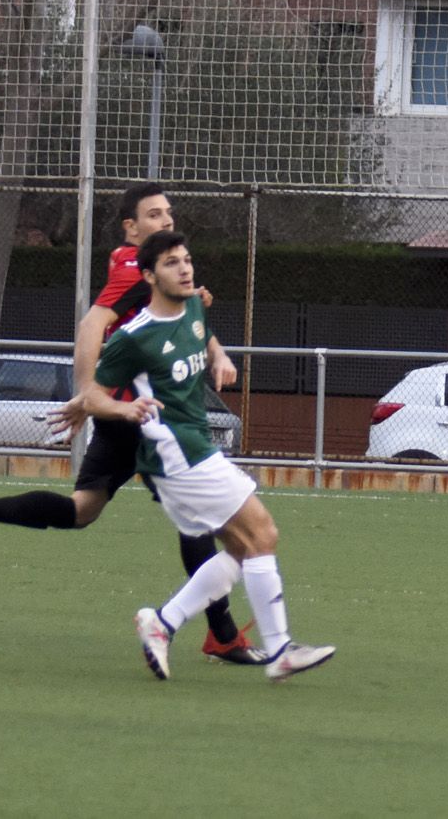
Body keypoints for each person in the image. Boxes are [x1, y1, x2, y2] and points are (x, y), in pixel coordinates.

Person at [0, 182, 264, 665]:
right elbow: (91, 324)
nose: (166, 221)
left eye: (169, 213)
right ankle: (220, 635)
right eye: (155, 215)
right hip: (143, 416)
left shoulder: (157, 267)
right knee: (203, 525)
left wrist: (217, 351)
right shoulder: (132, 266)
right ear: (131, 227)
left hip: (128, 413)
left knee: (82, 509)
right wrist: (87, 393)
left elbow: (187, 321)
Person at [84, 229, 334, 682]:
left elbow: (204, 334)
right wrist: (124, 407)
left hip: (193, 451)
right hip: (176, 457)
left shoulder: (195, 307)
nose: (184, 268)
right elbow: (92, 395)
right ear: (148, 276)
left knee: (241, 548)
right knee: (263, 533)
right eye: (171, 263)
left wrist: (219, 357)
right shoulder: (134, 337)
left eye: (186, 260)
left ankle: (163, 623)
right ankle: (279, 651)